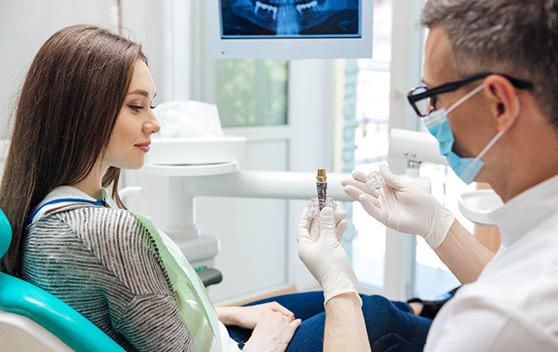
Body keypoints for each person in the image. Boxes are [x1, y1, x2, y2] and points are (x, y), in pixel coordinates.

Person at [0, 23, 437, 352]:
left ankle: (431, 309)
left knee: (359, 300)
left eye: (151, 104)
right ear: (81, 111)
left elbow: (139, 312)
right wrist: (261, 340)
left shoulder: (40, 209)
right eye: (137, 106)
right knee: (376, 315)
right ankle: (466, 324)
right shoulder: (103, 233)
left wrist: (229, 312)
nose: (154, 121)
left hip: (208, 332)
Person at [299, 0, 558, 351]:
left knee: (375, 315)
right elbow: (514, 272)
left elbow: (513, 297)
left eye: (433, 96)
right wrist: (437, 224)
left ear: (499, 103)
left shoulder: (495, 321)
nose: (430, 114)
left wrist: (338, 287)